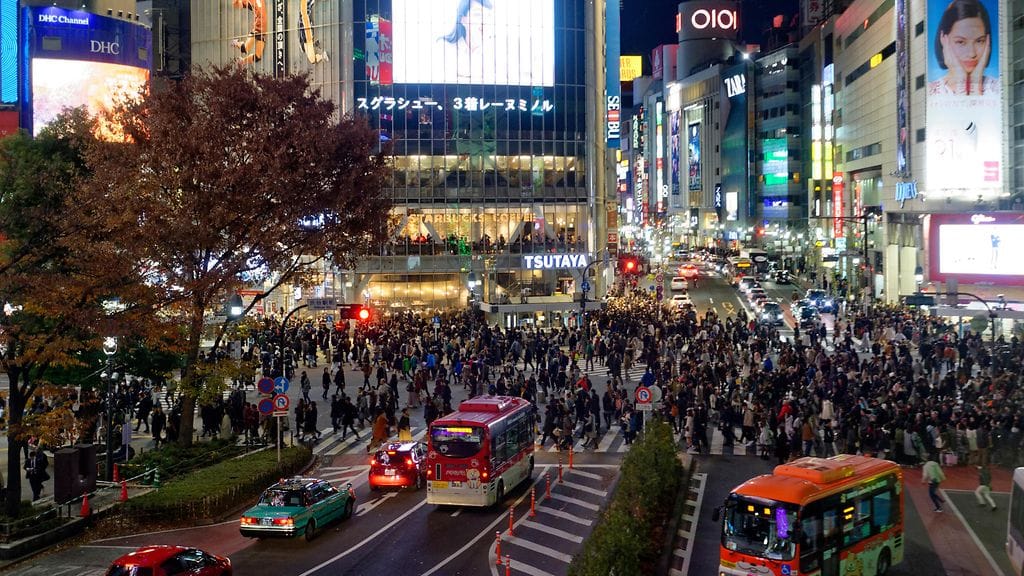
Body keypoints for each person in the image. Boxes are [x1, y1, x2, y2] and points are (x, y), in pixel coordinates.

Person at [929, 0, 998, 96]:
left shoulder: (999, 89)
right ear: (943, 39)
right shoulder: (930, 93)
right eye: (960, 42)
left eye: (979, 41)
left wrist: (975, 84)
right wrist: (960, 82)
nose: (972, 53)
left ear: (988, 41)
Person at [439, 0, 496, 84]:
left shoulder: (497, 51)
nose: (484, 21)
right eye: (478, 14)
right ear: (463, 20)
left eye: (488, 15)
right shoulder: (444, 48)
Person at [230, 0, 267, 67]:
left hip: (263, 30)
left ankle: (243, 61)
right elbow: (236, 4)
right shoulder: (249, 1)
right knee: (245, 48)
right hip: (257, 27)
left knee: (257, 57)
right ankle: (236, 43)